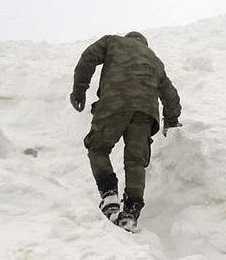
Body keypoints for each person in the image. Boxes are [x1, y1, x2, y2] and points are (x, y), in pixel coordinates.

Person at [69, 31, 181, 231]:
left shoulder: (113, 41)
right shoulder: (154, 61)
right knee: (135, 162)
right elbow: (170, 95)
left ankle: (109, 194)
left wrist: (79, 89)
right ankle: (131, 211)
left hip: (114, 103)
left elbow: (89, 57)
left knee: (98, 149)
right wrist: (171, 120)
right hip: (145, 113)